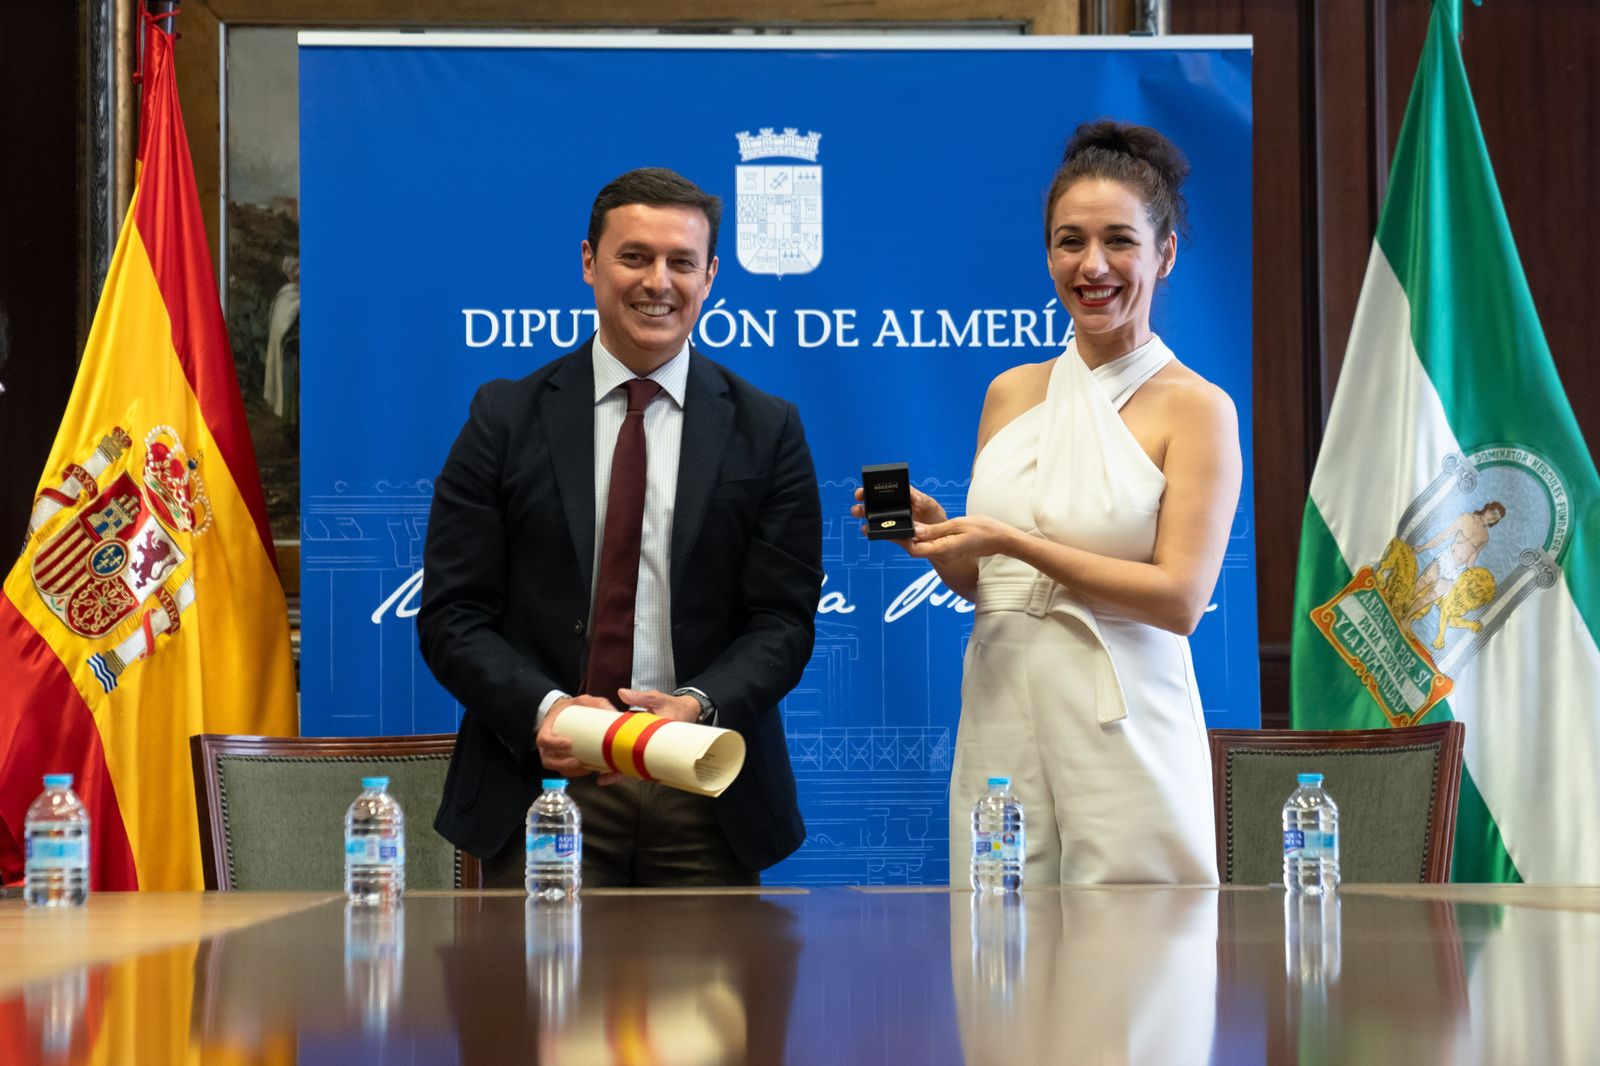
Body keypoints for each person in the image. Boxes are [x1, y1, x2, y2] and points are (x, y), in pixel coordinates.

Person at [856, 120, 1241, 884]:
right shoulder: (1011, 393)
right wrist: (945, 545)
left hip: (1123, 718)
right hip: (1003, 702)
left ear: (1163, 255)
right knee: (1004, 952)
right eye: (1070, 242)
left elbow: (1180, 600)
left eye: (1119, 241)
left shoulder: (1197, 408)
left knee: (1134, 967)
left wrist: (1011, 541)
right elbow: (990, 584)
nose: (1092, 265)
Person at [419, 168, 823, 888]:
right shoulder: (504, 420)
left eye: (681, 262)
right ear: (588, 263)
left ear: (712, 276)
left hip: (705, 789)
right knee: (535, 1003)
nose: (657, 282)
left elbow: (783, 623)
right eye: (634, 256)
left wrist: (697, 706)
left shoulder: (768, 430)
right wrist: (549, 712)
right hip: (540, 793)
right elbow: (453, 614)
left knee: (712, 1005)